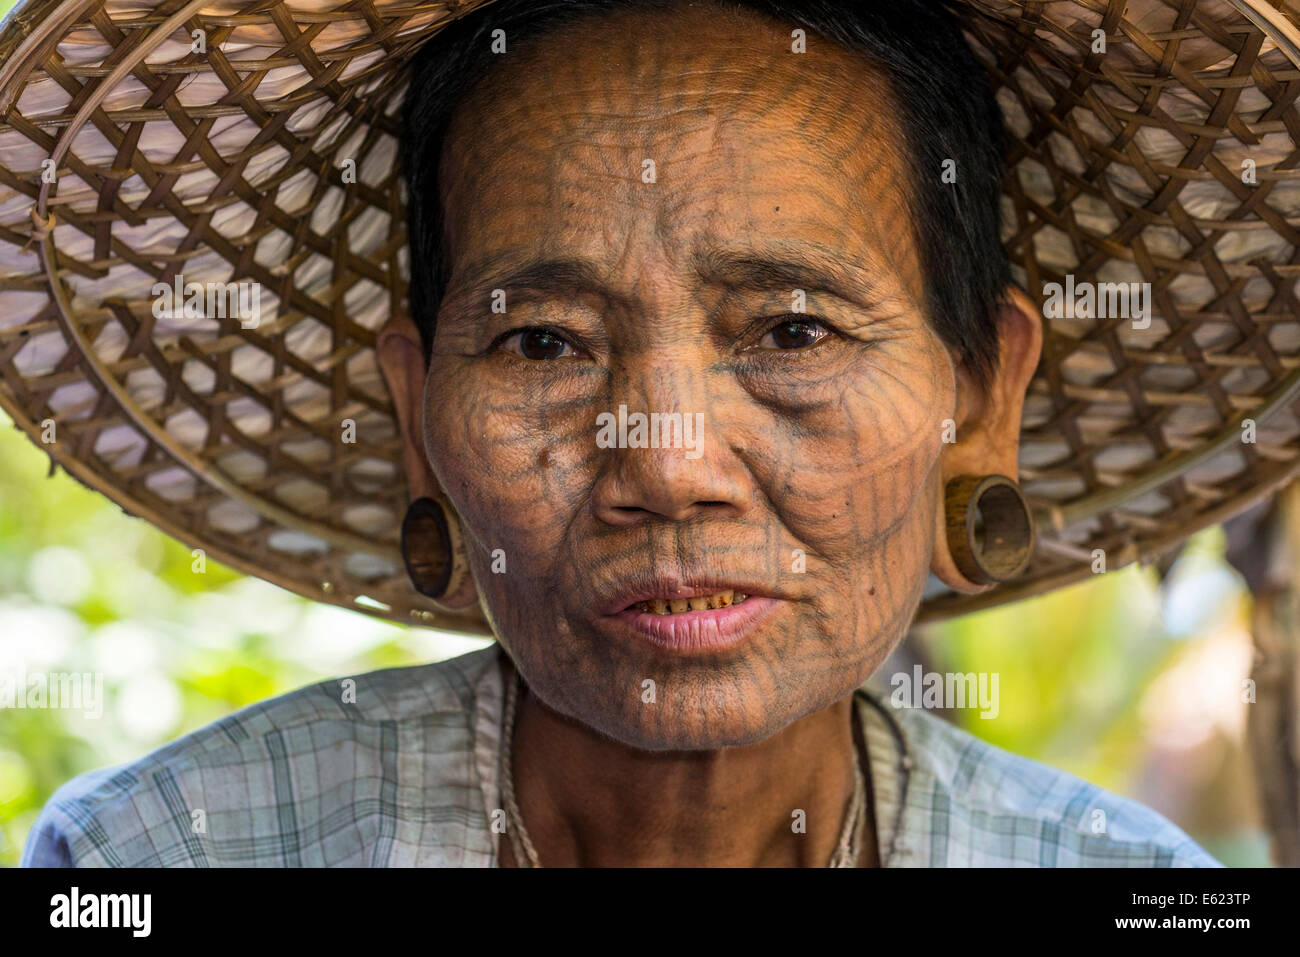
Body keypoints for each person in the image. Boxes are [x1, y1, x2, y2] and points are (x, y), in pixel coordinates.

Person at [14, 0, 1289, 866]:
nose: (668, 468)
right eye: (542, 343)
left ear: (981, 402)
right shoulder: (162, 854)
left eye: (793, 331)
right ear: (419, 424)